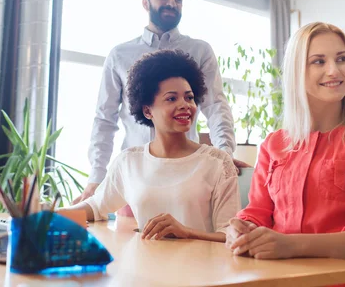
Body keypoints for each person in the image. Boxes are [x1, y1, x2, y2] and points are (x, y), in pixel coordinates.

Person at [226, 22, 345, 287]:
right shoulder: (273, 144)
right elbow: (257, 211)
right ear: (297, 71)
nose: (334, 70)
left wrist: (288, 246)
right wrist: (239, 229)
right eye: (318, 61)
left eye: (341, 59)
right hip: (277, 280)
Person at [76, 0, 244, 203]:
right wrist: (96, 177)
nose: (172, 3)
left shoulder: (200, 51)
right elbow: (104, 119)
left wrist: (225, 153)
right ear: (146, 2)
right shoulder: (119, 55)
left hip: (187, 176)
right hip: (132, 179)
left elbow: (215, 106)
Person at [63, 50, 241, 242]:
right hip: (145, 267)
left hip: (199, 269)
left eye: (189, 97)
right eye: (172, 98)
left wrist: (187, 232)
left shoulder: (217, 163)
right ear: (147, 110)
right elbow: (95, 207)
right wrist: (47, 215)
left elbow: (230, 234)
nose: (185, 105)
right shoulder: (129, 162)